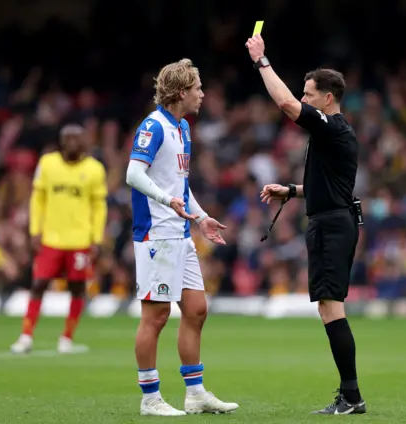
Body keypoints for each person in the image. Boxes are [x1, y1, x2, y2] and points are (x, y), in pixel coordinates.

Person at [246, 35, 366, 415]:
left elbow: (285, 104)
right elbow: (332, 186)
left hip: (332, 225)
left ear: (327, 98)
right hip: (330, 219)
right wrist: (293, 191)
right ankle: (349, 394)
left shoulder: (333, 128)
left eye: (309, 94)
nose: (304, 99)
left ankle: (351, 396)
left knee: (332, 308)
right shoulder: (333, 134)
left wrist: (262, 61)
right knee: (328, 308)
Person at [125, 58, 238, 417]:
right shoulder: (153, 126)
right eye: (198, 89)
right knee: (156, 316)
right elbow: (132, 173)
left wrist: (202, 218)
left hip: (181, 233)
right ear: (180, 93)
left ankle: (195, 393)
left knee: (196, 309)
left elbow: (181, 187)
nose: (202, 95)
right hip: (156, 235)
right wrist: (165, 200)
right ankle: (150, 398)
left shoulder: (183, 128)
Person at [10, 124, 108, 353]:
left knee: (77, 288)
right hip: (51, 238)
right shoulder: (47, 164)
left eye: (78, 138)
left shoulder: (94, 169)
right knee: (38, 284)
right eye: (68, 138)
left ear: (84, 142)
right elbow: (37, 199)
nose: (73, 142)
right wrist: (35, 230)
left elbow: (99, 207)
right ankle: (26, 336)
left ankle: (67, 339)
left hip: (80, 240)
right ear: (61, 141)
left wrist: (96, 238)